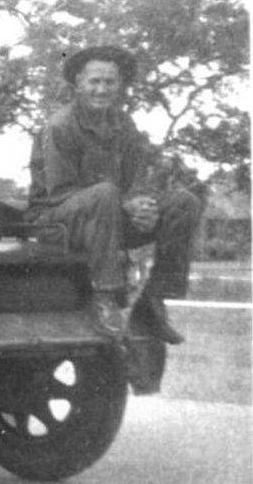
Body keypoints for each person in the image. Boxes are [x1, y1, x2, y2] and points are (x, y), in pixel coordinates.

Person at [28, 45, 200, 342]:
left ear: (120, 86)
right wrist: (125, 205)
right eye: (94, 81)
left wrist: (142, 205)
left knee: (184, 202)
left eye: (110, 82)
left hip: (109, 219)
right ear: (78, 85)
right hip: (56, 223)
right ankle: (104, 298)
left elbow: (136, 181)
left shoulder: (125, 126)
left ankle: (154, 298)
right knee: (105, 192)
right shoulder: (59, 127)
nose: (101, 89)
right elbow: (60, 193)